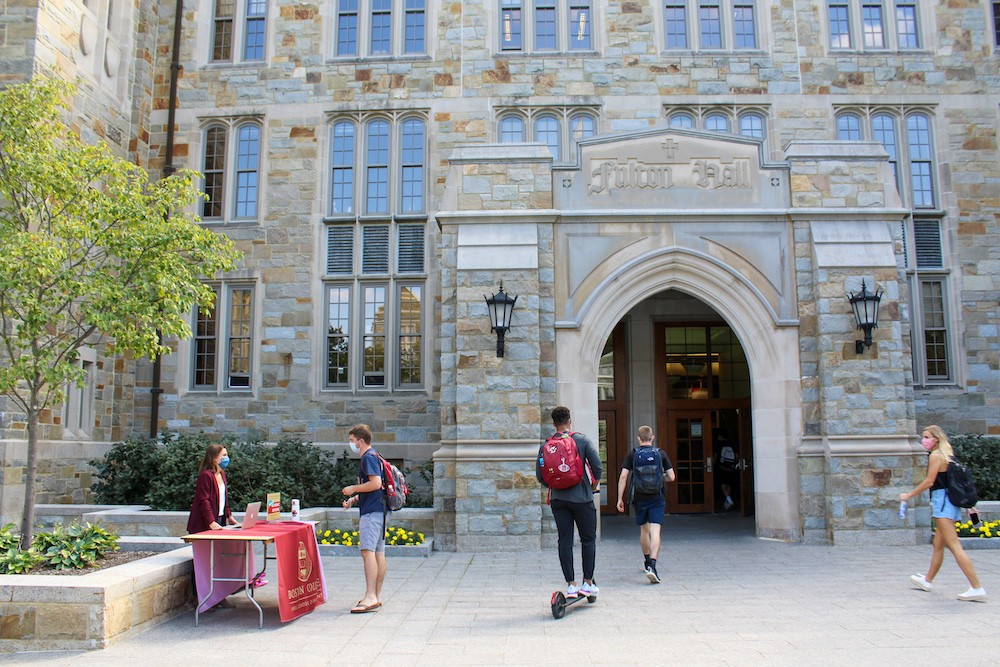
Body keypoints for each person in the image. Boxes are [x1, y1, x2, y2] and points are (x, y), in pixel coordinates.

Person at [900, 425, 987, 602]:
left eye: (926, 437)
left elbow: (929, 482)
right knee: (938, 544)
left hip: (943, 503)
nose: (923, 440)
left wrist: (909, 495)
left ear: (936, 439)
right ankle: (927, 580)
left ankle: (976, 587)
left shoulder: (936, 456)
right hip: (949, 502)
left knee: (954, 546)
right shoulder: (947, 454)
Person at [536, 406, 603, 599]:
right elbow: (597, 466)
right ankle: (588, 583)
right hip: (582, 498)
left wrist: (555, 485)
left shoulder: (546, 445)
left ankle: (571, 585)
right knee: (588, 539)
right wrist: (592, 485)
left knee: (564, 540)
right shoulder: (581, 440)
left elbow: (540, 475)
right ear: (569, 420)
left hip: (558, 499)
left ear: (553, 423)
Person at [616, 425, 675, 584]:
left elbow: (623, 477)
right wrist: (659, 479)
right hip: (657, 496)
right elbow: (672, 476)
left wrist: (620, 498)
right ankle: (653, 566)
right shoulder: (660, 454)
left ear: (639, 439)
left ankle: (647, 561)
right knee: (656, 530)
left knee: (644, 529)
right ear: (652, 438)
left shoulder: (633, 455)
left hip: (640, 497)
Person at [341, 424, 388, 613]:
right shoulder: (376, 455)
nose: (350, 444)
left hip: (371, 512)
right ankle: (375, 595)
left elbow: (375, 484)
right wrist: (353, 499)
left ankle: (370, 597)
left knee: (368, 552)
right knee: (378, 553)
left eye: (352, 441)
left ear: (361, 441)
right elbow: (376, 487)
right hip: (380, 510)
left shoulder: (367, 457)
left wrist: (353, 488)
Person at [186, 444, 238, 609]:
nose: (226, 458)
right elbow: (203, 500)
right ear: (214, 457)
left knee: (217, 560)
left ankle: (218, 595)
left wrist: (229, 515)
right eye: (223, 455)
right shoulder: (206, 476)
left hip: (219, 520)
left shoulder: (221, 474)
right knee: (202, 561)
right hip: (204, 524)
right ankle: (199, 596)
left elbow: (224, 499)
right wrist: (210, 521)